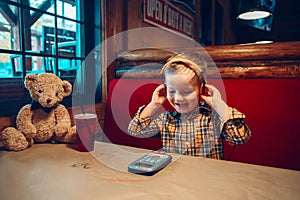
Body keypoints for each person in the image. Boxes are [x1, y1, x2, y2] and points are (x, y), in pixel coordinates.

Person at [127, 52, 251, 159]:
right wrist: (153, 105)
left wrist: (220, 106)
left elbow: (240, 137)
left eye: (186, 92)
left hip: (207, 180)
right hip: (175, 179)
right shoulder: (165, 119)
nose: (178, 98)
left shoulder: (214, 119)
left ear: (202, 89)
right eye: (171, 91)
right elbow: (135, 130)